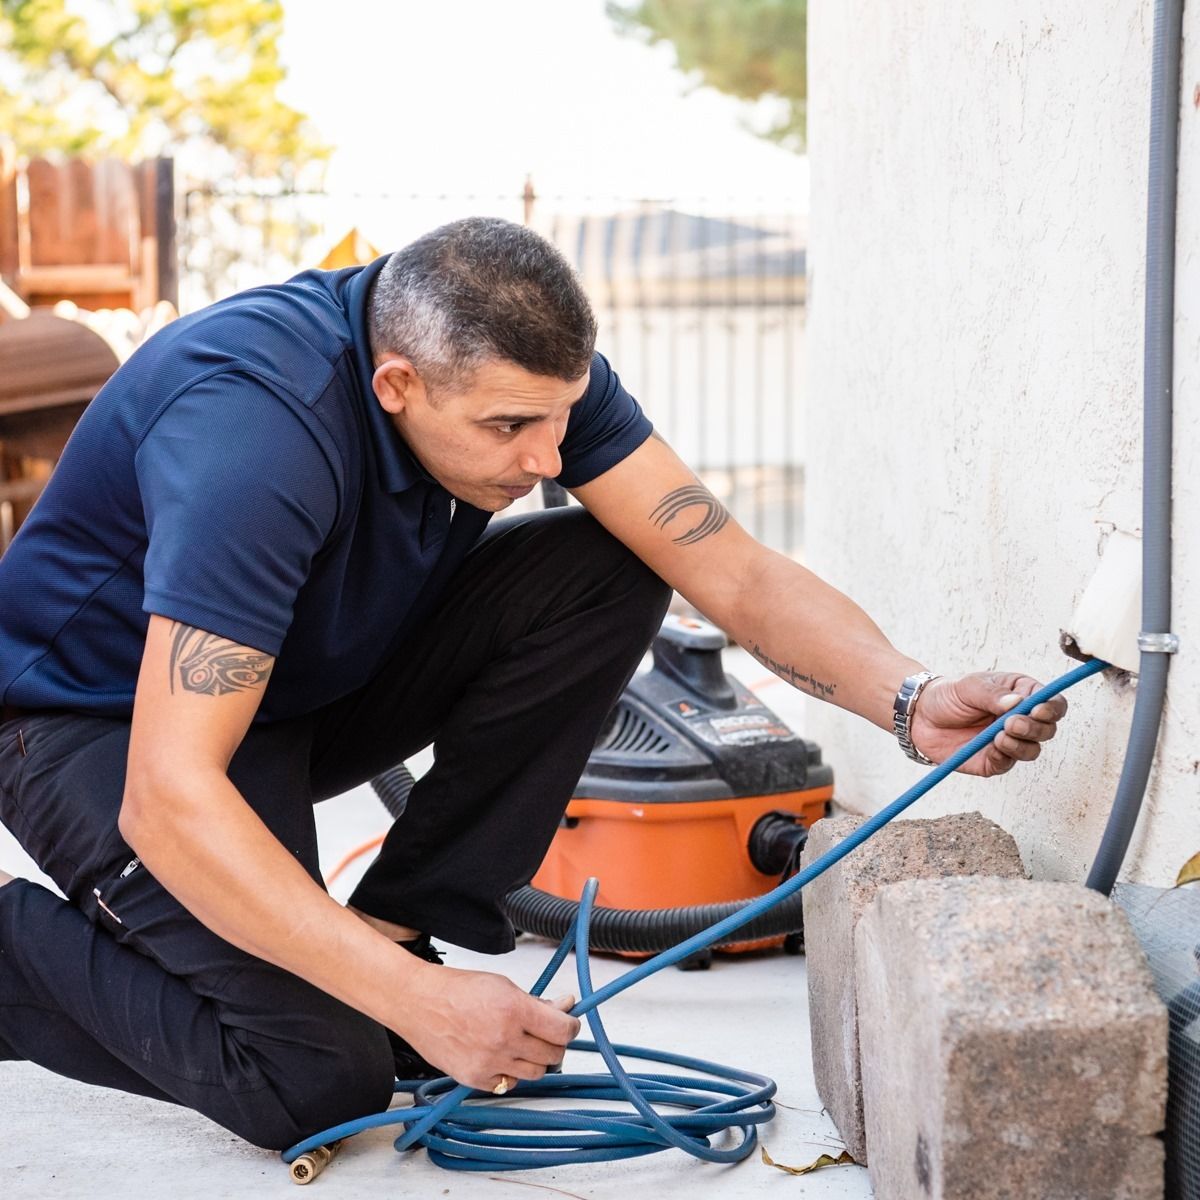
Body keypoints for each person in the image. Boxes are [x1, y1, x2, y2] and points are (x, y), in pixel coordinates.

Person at [0, 217, 1067, 1150]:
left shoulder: (526, 380)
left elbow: (731, 569)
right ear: (395, 384)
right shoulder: (252, 437)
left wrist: (907, 697)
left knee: (611, 560)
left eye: (560, 418)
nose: (548, 459)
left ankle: (400, 924)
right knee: (312, 1077)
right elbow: (171, 796)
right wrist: (415, 1006)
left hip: (289, 694)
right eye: (508, 430)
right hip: (92, 724)